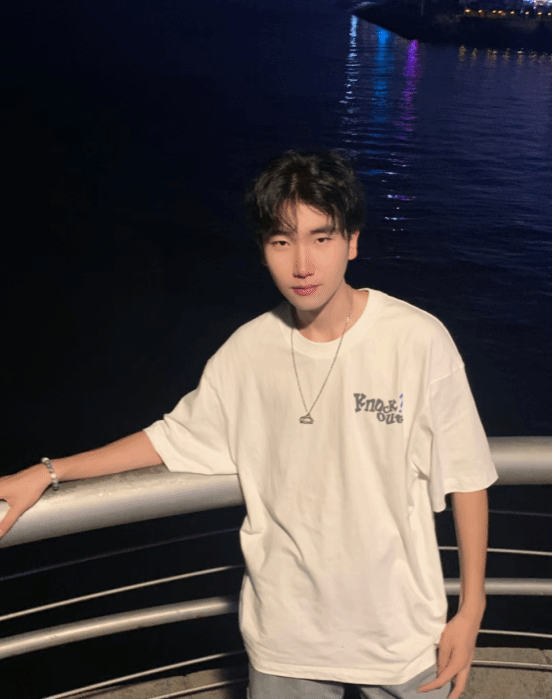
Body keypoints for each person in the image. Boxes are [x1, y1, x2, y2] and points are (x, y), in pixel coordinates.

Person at [0, 150, 497, 699]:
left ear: (353, 242)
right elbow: (169, 437)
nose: (303, 264)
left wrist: (470, 609)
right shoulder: (247, 351)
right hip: (285, 637)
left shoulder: (417, 340)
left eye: (321, 237)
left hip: (403, 634)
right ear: (263, 251)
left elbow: (467, 477)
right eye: (282, 241)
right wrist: (48, 472)